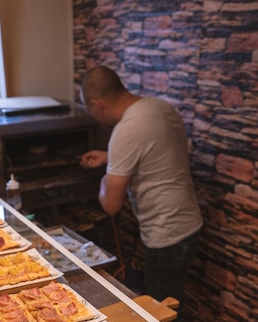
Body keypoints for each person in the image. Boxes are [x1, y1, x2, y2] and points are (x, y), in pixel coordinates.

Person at [80, 66, 203, 308]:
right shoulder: (159, 107)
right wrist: (110, 157)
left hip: (165, 232)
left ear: (97, 104)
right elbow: (154, 152)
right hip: (189, 223)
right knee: (172, 298)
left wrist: (107, 175)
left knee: (161, 313)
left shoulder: (126, 130)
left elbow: (111, 205)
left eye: (90, 110)